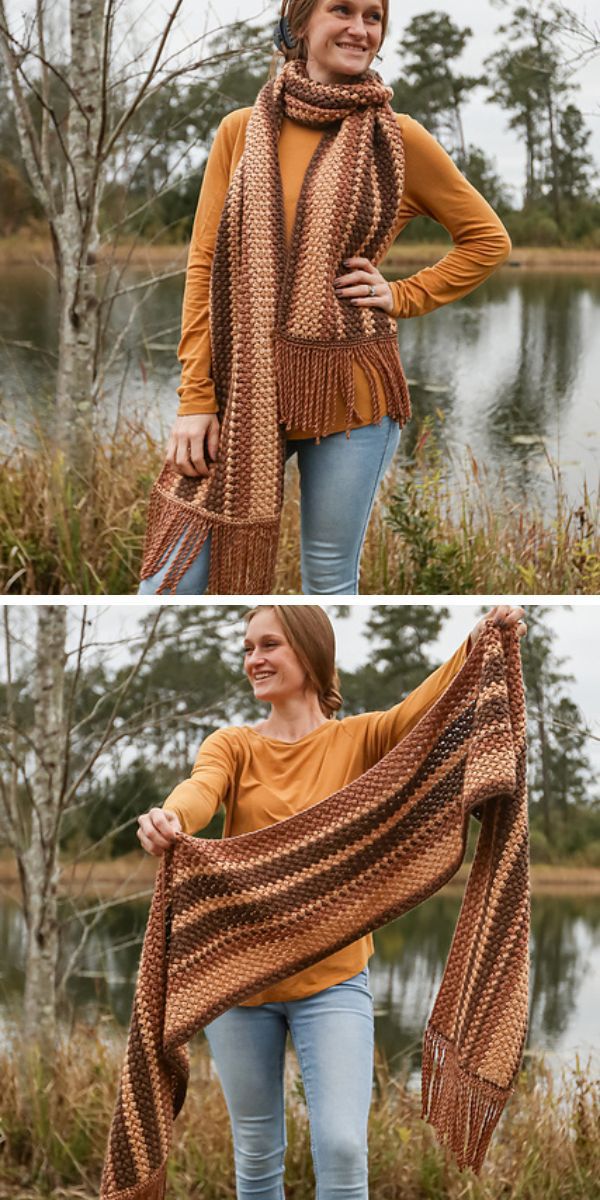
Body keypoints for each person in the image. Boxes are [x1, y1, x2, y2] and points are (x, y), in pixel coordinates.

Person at [137, 603, 527, 1200]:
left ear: (310, 652)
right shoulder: (234, 745)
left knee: (344, 1148)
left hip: (335, 980)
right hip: (239, 981)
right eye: (247, 648)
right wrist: (170, 818)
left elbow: (423, 710)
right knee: (258, 1150)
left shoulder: (359, 739)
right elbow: (200, 791)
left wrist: (475, 643)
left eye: (268, 645)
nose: (253, 660)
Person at [138, 0, 512, 596]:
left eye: (374, 16)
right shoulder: (242, 130)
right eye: (342, 10)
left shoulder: (399, 139)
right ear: (302, 21)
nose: (360, 29)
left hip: (350, 393)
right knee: (168, 582)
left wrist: (402, 294)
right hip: (244, 389)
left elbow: (487, 240)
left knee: (330, 582)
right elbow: (204, 265)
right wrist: (195, 397)